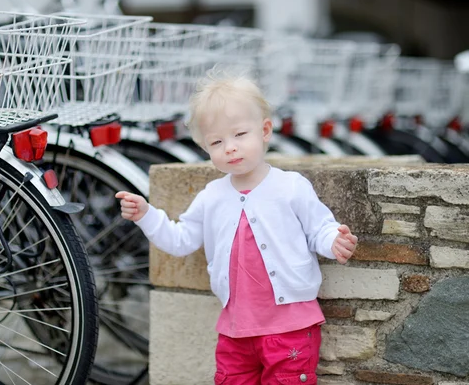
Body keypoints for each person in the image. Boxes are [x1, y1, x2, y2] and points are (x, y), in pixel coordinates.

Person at [115, 68, 357, 385]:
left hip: (291, 328)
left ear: (265, 130)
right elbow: (180, 240)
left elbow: (319, 228)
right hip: (235, 331)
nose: (230, 147)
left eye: (240, 135)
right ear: (206, 148)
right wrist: (147, 214)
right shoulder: (212, 196)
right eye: (217, 141)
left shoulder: (290, 187)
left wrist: (333, 242)